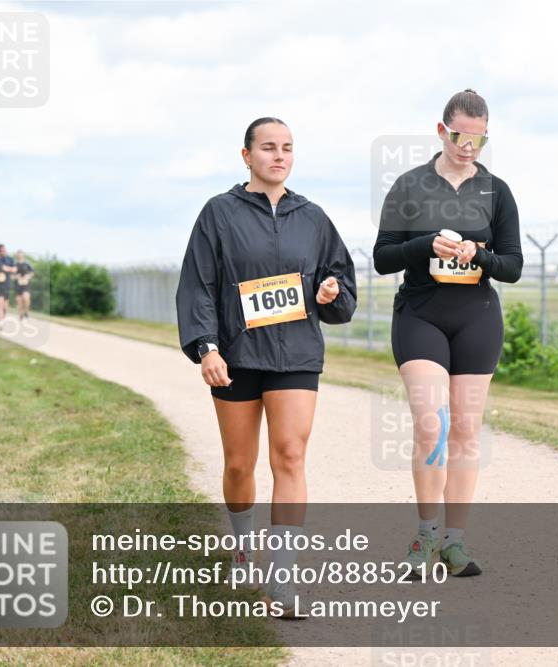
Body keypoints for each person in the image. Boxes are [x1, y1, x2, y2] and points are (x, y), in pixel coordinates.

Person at [176, 117, 357, 618]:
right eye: (269, 148)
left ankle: (284, 577)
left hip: (296, 354)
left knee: (291, 456)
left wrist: (329, 293)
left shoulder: (314, 217)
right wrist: (206, 347)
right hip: (237, 355)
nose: (279, 156)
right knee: (239, 463)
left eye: (288, 148)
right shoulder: (219, 213)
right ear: (246, 155)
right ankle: (242, 546)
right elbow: (199, 285)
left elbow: (341, 288)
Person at [374, 89, 523, 579]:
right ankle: (425, 535)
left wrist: (477, 255)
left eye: (479, 139)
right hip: (421, 314)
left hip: (477, 315)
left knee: (464, 429)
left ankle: (455, 544)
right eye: (461, 137)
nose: (469, 147)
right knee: (431, 427)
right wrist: (424, 245)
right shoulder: (410, 185)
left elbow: (512, 266)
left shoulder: (497, 192)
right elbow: (382, 257)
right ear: (442, 131)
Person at [13, 250, 35, 320]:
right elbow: (11, 275)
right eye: (18, 254)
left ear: (23, 255)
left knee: (26, 298)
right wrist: (16, 277)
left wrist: (28, 276)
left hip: (26, 284)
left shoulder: (27, 263)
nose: (19, 255)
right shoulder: (14, 264)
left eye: (21, 253)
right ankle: (21, 315)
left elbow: (32, 272)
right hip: (18, 284)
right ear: (16, 255)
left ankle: (26, 312)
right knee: (19, 301)